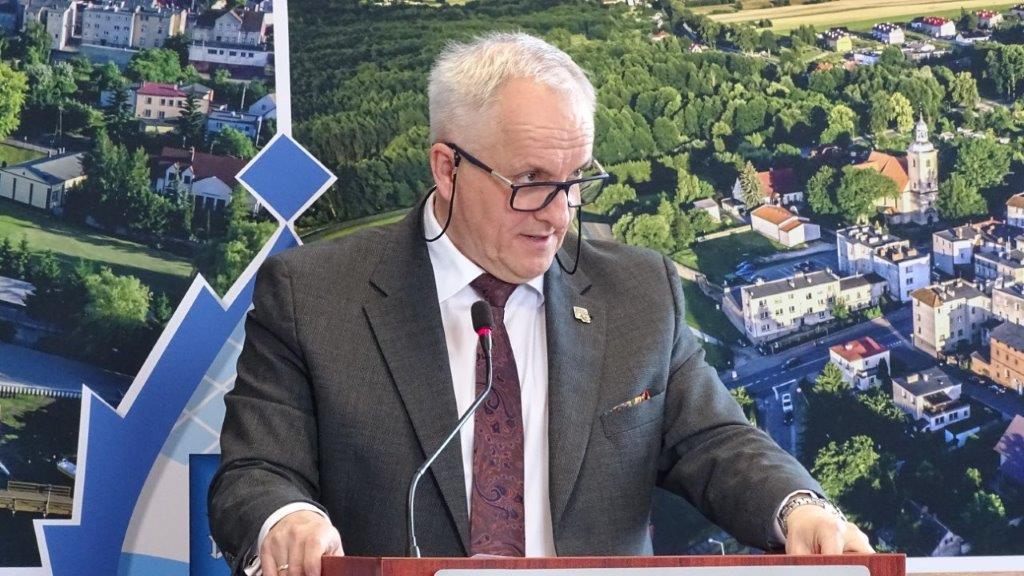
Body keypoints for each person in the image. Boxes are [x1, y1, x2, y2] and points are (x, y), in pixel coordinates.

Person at [208, 32, 872, 576]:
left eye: (575, 180)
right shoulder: (313, 295)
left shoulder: (641, 292)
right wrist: (288, 520)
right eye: (530, 181)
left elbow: (713, 441)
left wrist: (799, 509)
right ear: (447, 169)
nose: (559, 215)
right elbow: (255, 472)